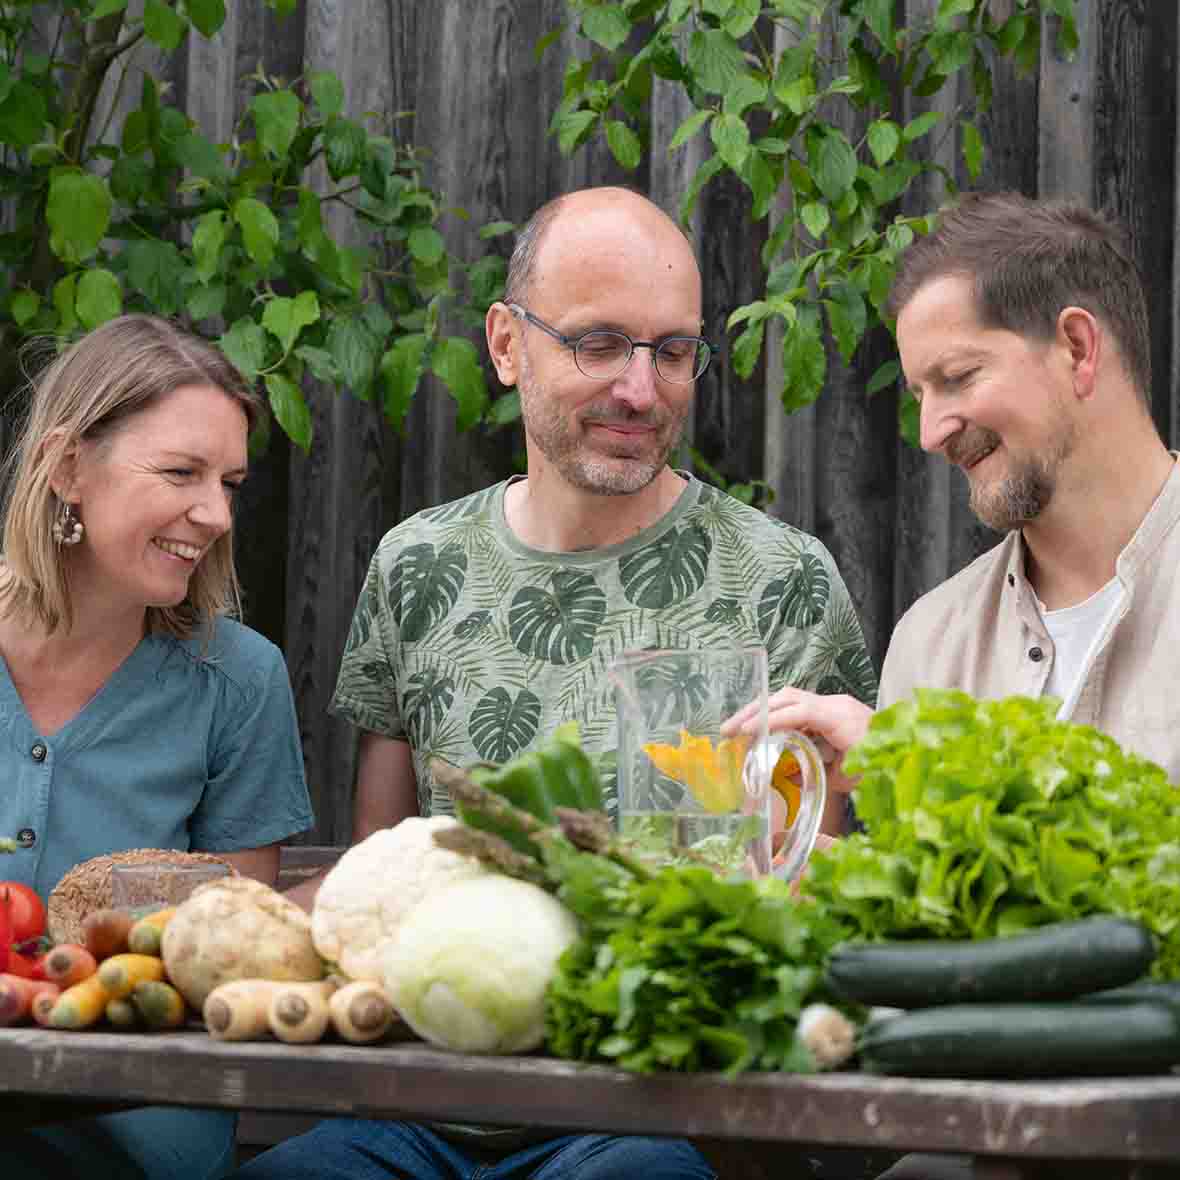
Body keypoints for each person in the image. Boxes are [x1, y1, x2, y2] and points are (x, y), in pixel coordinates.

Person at [242, 186, 876, 1180]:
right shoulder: (419, 567)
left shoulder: (779, 581)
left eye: (671, 350)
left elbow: (808, 904)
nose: (641, 387)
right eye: (599, 343)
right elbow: (384, 866)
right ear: (506, 344)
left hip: (662, 1113)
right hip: (431, 1106)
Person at [740, 192, 1180, 1178]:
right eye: (918, 394)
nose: (933, 429)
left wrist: (926, 768)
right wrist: (803, 894)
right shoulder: (929, 639)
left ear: (1075, 349)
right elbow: (924, 962)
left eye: (957, 377)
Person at [3, 315, 314, 1180]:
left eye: (229, 482)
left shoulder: (238, 681)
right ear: (68, 466)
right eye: (181, 472)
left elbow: (229, 956)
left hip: (132, 1124)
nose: (215, 513)